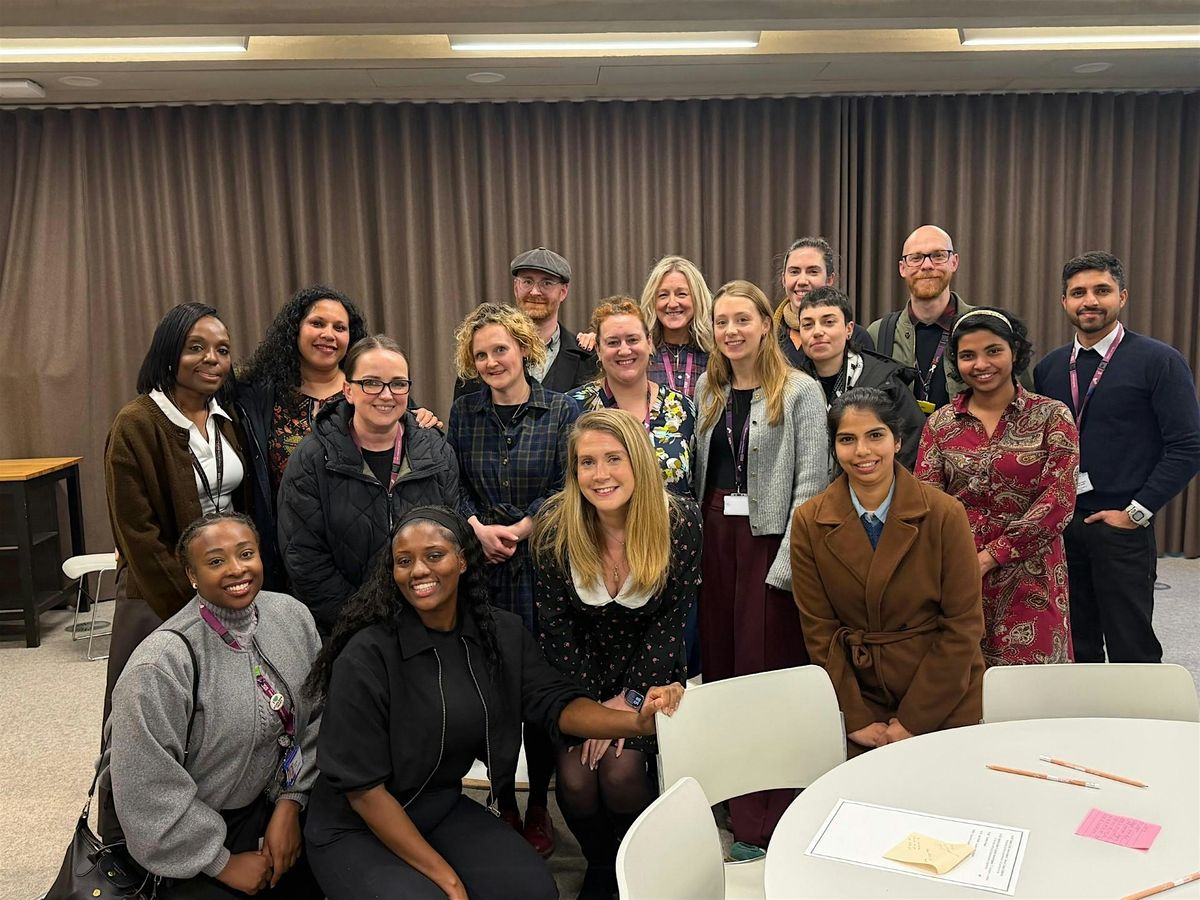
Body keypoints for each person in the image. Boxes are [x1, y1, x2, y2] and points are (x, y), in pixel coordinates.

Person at [302, 506, 684, 900]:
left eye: (434, 555)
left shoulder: (500, 634)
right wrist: (450, 880)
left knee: (534, 892)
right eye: (404, 561)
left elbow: (556, 703)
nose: (418, 570)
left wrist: (637, 722)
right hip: (355, 825)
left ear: (463, 560)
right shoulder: (366, 655)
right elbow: (363, 791)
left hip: (436, 807)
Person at [108, 512, 323, 899]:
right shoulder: (161, 665)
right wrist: (222, 863)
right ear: (192, 574)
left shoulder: (292, 616)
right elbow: (144, 786)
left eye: (246, 554)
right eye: (216, 561)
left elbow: (319, 718)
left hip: (283, 803)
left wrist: (291, 802)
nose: (237, 569)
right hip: (196, 834)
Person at [533, 410, 702, 898]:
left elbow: (670, 624)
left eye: (613, 459)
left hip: (650, 670)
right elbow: (556, 630)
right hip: (576, 675)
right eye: (587, 462)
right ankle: (602, 865)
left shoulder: (680, 521)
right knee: (576, 777)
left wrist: (626, 700)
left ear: (639, 463)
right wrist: (592, 710)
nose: (600, 474)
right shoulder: (553, 528)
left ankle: (635, 866)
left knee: (621, 770)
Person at [101, 302, 253, 839]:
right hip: (159, 594)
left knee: (218, 718)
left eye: (222, 350)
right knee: (140, 722)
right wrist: (191, 610)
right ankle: (125, 844)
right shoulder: (137, 423)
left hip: (229, 585)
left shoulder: (229, 420)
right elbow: (137, 534)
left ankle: (214, 826)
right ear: (169, 354)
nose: (212, 359)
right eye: (196, 347)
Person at [692, 279, 828, 855]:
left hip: (768, 545)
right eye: (721, 322)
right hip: (714, 541)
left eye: (742, 319)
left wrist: (786, 566)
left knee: (765, 674)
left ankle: (767, 817)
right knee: (721, 672)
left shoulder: (799, 392)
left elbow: (811, 484)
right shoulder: (709, 389)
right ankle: (728, 794)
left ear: (767, 325)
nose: (731, 331)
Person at [447, 302, 580, 857]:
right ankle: (503, 798)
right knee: (491, 691)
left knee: (536, 688)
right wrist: (477, 529)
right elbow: (452, 481)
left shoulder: (563, 409)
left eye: (500, 349)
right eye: (480, 355)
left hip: (542, 566)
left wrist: (522, 528)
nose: (491, 362)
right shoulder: (464, 412)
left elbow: (568, 483)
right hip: (482, 567)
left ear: (524, 348)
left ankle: (539, 803)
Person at [790, 388, 985, 757]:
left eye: (875, 435)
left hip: (942, 693)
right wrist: (854, 717)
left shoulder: (944, 513)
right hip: (859, 698)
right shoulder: (809, 521)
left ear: (897, 441)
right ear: (834, 448)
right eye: (847, 439)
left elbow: (963, 626)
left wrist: (913, 720)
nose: (862, 451)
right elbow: (819, 632)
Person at [1034, 251, 1200, 663]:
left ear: (1122, 297)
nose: (1090, 300)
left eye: (1101, 290)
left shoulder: (1159, 361)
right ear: (1064, 302)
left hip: (1123, 527)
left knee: (1132, 646)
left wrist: (1137, 512)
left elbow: (1188, 446)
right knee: (1076, 645)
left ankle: (1139, 710)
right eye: (1078, 293)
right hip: (1063, 527)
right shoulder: (1049, 368)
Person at [235, 286, 439, 586]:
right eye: (317, 323)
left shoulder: (374, 388)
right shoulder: (258, 396)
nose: (328, 334)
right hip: (289, 550)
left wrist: (424, 420)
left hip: (367, 549)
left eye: (339, 328)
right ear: (295, 329)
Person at [917, 308, 1079, 666]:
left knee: (1030, 687)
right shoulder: (940, 424)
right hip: (958, 572)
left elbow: (1059, 500)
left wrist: (992, 557)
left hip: (1031, 573)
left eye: (993, 351)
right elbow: (926, 502)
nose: (981, 364)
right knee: (959, 679)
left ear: (1014, 351)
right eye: (968, 355)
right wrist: (954, 563)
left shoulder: (1051, 416)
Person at [276, 335, 460, 635]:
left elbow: (453, 539)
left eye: (398, 383)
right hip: (348, 631)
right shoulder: (311, 458)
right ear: (348, 390)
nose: (386, 395)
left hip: (427, 622)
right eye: (371, 383)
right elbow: (304, 559)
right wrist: (365, 623)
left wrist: (426, 611)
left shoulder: (438, 451)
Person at [570, 296, 697, 496]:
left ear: (649, 342)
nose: (624, 350)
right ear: (599, 350)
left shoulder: (682, 408)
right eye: (613, 342)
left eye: (632, 340)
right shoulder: (572, 407)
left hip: (671, 516)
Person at [794, 285, 926, 469]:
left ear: (849, 329)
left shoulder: (885, 381)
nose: (817, 332)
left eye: (828, 322)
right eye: (807, 325)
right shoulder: (792, 385)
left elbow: (911, 445)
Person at [455, 247, 598, 397]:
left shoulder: (588, 358)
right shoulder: (480, 354)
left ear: (563, 292)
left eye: (546, 283)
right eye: (527, 282)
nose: (535, 292)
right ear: (516, 288)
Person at [866, 225, 975, 412]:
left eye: (938, 255)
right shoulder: (877, 334)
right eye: (916, 258)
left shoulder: (986, 328)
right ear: (902, 268)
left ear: (954, 262)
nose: (927, 265)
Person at [772, 236, 875, 368]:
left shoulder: (856, 336)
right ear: (784, 280)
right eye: (794, 272)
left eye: (813, 272)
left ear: (829, 280)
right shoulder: (766, 336)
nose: (802, 281)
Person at [640, 255, 714, 401]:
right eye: (663, 295)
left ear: (697, 298)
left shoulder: (715, 356)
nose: (672, 303)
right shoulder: (640, 356)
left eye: (681, 294)